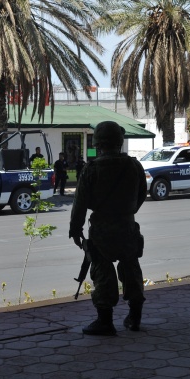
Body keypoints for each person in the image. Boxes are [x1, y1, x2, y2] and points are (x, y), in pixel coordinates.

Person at [69, 121, 147, 336]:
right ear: (119, 141)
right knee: (131, 268)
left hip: (102, 230)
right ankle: (135, 316)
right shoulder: (134, 166)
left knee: (102, 272)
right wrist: (127, 212)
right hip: (128, 227)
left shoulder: (92, 169)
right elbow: (141, 195)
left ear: (98, 143)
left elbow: (79, 204)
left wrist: (75, 229)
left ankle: (105, 321)